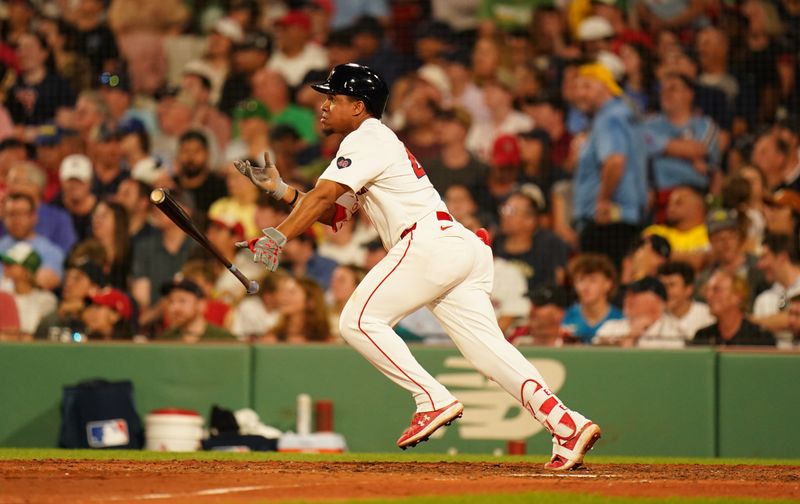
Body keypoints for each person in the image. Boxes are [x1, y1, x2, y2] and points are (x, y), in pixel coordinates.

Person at [233, 63, 601, 470]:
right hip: (456, 247)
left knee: (356, 322)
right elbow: (336, 215)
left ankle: (432, 398)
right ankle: (566, 423)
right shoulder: (372, 142)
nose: (323, 106)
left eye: (332, 98)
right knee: (489, 353)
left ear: (357, 107)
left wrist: (278, 236)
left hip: (427, 242)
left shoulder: (367, 136)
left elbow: (322, 199)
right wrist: (283, 190)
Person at [572, 63, 647, 267]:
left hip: (607, 221)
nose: (580, 94)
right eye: (577, 88)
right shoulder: (625, 115)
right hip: (624, 218)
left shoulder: (609, 118)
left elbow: (615, 160)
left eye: (587, 87)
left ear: (606, 87)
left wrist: (602, 200)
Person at [494, 187, 570, 292]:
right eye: (504, 209)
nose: (504, 215)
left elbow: (554, 287)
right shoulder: (494, 243)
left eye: (510, 210)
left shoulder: (548, 246)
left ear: (530, 220)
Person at [594, 276, 686, 348]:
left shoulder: (674, 333)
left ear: (657, 302)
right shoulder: (610, 327)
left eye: (635, 295)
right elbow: (595, 355)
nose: (628, 300)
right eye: (628, 295)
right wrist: (631, 336)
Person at [692, 269, 775, 346]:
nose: (708, 296)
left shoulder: (760, 338)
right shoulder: (702, 337)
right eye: (707, 290)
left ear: (737, 297)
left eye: (716, 290)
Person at [0, 192, 64, 290]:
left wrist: (19, 276)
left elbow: (46, 282)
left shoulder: (50, 251)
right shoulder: (1, 245)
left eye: (21, 214)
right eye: (11, 214)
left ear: (33, 217)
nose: (16, 220)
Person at [561, 253, 624, 344]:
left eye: (592, 280)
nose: (585, 287)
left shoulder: (620, 321)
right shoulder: (565, 318)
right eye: (581, 280)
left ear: (608, 284)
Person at [0, 242, 57, 336]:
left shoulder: (46, 300)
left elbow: (41, 332)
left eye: (11, 264)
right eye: (5, 263)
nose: (5, 267)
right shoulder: (3, 295)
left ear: (26, 268)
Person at [157, 278, 237, 343]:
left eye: (182, 301)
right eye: (171, 302)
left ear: (201, 305)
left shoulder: (223, 340)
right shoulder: (165, 340)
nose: (173, 308)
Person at [657, 261, 715, 342]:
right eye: (662, 286)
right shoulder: (655, 318)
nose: (666, 292)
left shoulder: (708, 316)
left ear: (688, 289)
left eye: (671, 285)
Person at [267, 274, 330, 343]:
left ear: (310, 302)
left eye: (292, 292)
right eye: (283, 291)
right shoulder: (272, 337)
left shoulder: (325, 340)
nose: (282, 297)